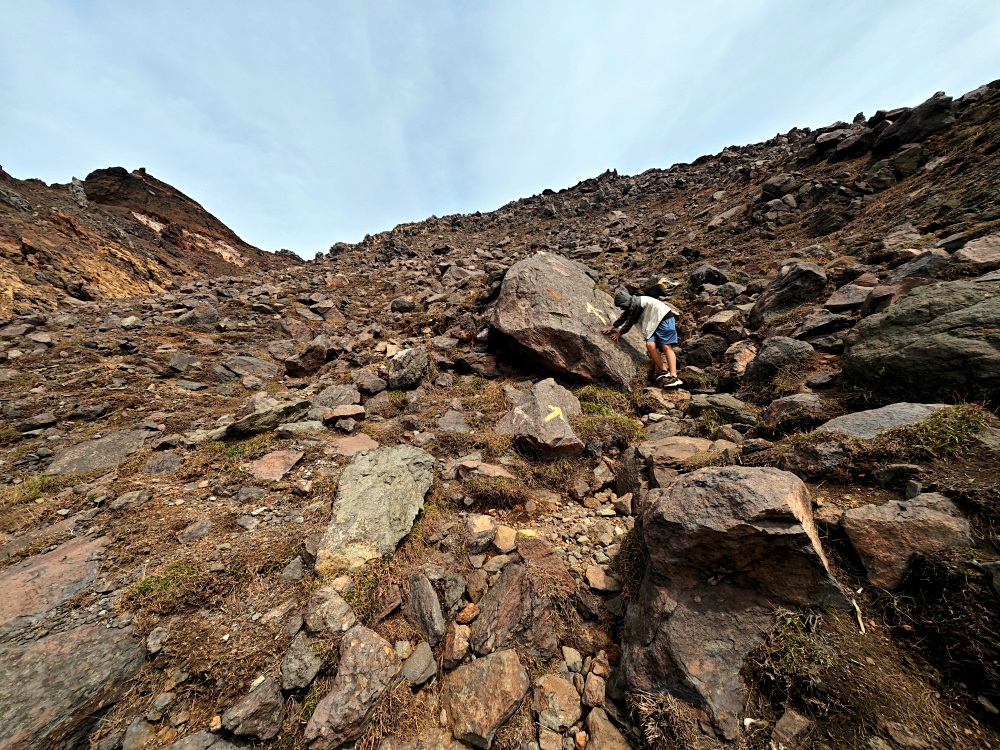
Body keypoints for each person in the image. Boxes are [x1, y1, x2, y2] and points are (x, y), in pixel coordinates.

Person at [602, 287, 683, 388]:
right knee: (650, 345)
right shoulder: (632, 303)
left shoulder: (637, 305)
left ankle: (674, 376)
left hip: (664, 319)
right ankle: (664, 371)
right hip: (654, 322)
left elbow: (630, 321)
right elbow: (624, 316)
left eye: (622, 306)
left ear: (626, 303)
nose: (622, 308)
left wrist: (619, 333)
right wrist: (612, 327)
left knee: (666, 346)